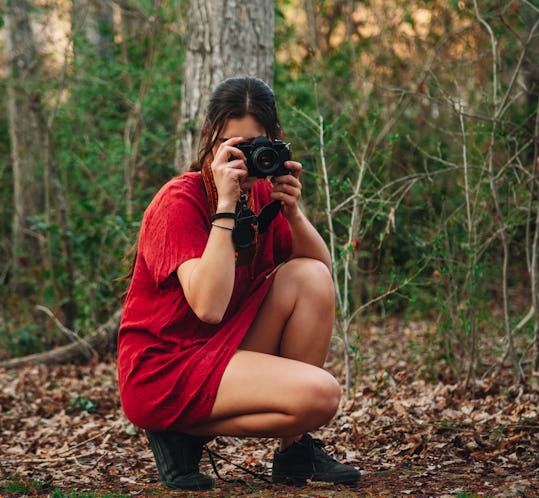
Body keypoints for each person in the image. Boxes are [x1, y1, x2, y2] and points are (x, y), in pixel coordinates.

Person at [117, 76, 360, 490]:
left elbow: (321, 277)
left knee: (310, 275)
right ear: (210, 139)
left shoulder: (263, 197)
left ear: (275, 142)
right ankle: (178, 431)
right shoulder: (179, 201)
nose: (244, 160)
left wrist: (293, 213)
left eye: (255, 146)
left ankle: (293, 452)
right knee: (322, 396)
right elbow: (208, 307)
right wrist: (226, 206)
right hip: (165, 366)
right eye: (233, 146)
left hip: (220, 349)